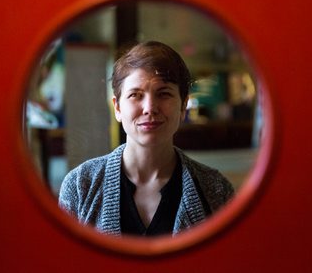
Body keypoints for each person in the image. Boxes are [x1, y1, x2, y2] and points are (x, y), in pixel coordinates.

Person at [59, 41, 234, 237]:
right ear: (117, 108)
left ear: (183, 105)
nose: (150, 107)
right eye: (136, 95)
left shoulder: (216, 189)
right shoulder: (79, 186)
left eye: (164, 94)